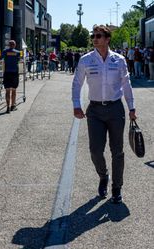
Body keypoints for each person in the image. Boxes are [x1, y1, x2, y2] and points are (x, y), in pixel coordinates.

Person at [72, 25, 136, 204]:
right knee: (95, 150)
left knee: (118, 151)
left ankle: (117, 187)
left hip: (115, 109)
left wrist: (131, 108)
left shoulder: (119, 60)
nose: (95, 38)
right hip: (95, 111)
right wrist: (76, 105)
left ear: (107, 39)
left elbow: (126, 84)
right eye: (93, 35)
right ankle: (103, 176)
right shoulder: (85, 60)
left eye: (99, 36)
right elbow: (77, 84)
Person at [1, 40, 20, 113]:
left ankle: (8, 107)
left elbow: (0, 58)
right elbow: (18, 60)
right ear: (14, 45)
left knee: (7, 90)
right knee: (14, 90)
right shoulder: (17, 52)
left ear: (9, 45)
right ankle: (13, 106)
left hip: (7, 72)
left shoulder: (5, 51)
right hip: (14, 73)